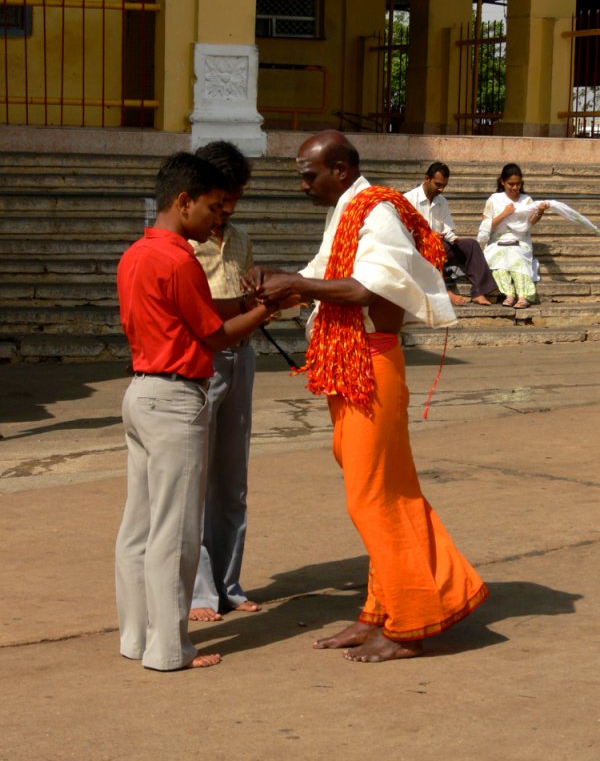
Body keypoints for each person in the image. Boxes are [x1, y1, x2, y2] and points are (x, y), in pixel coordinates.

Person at [246, 130, 488, 663]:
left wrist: (297, 285)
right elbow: (324, 272)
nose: (303, 184)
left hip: (372, 364)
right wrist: (280, 286)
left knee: (372, 497)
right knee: (384, 492)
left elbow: (369, 289)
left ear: (339, 168)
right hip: (351, 365)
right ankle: (381, 612)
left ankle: (409, 624)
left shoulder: (377, 211)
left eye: (309, 174)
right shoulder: (348, 209)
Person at [115, 152, 277, 671]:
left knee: (139, 528)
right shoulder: (179, 258)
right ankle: (169, 649)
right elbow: (214, 333)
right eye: (211, 207)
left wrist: (253, 305)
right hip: (176, 400)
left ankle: (137, 638)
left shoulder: (137, 254)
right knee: (176, 531)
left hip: (141, 392)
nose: (216, 218)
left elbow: (202, 312)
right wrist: (265, 310)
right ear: (183, 202)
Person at [188, 141, 260, 622]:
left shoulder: (239, 239)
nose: (228, 208)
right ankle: (196, 592)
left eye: (235, 197)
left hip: (241, 357)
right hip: (200, 362)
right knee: (191, 479)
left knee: (231, 481)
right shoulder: (181, 244)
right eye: (221, 198)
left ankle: (226, 583)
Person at [404, 162, 497, 306]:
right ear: (427, 179)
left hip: (440, 246)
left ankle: (479, 291)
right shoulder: (409, 199)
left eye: (444, 185)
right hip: (418, 249)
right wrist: (429, 236)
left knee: (471, 245)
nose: (441, 189)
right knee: (432, 246)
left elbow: (446, 228)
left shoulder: (442, 201)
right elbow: (404, 230)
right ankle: (445, 292)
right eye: (438, 184)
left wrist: (453, 238)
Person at [477, 163, 549, 309]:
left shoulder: (526, 199)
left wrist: (540, 211)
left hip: (519, 240)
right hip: (498, 241)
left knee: (516, 256)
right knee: (498, 261)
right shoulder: (494, 199)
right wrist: (505, 213)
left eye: (518, 184)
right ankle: (509, 294)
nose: (515, 188)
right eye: (511, 184)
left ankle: (523, 296)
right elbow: (486, 225)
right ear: (502, 182)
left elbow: (530, 222)